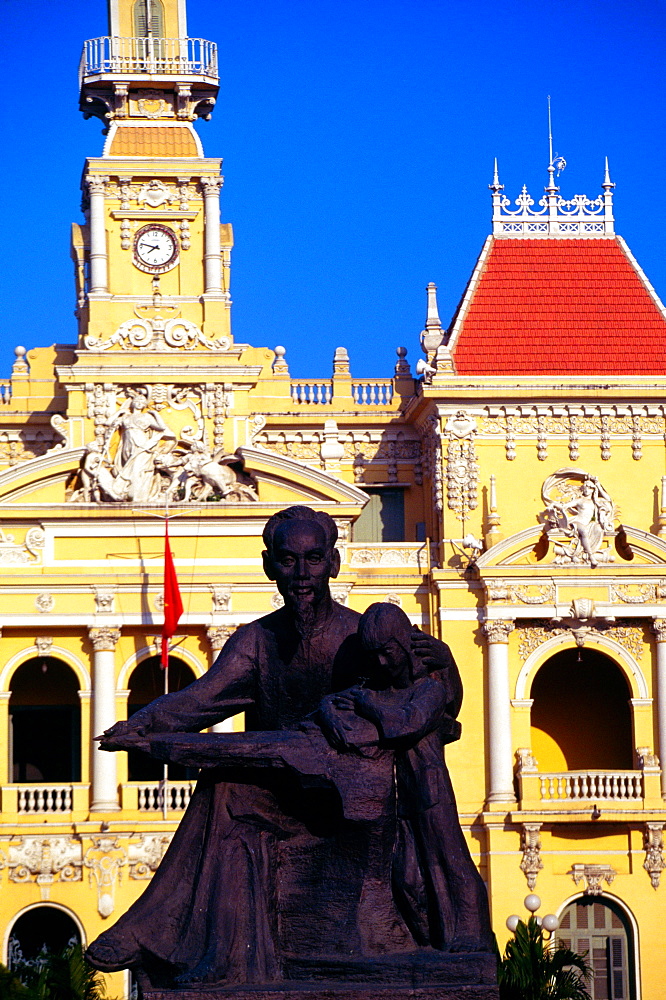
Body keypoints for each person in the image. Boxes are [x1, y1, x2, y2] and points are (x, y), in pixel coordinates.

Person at [87, 506, 453, 985]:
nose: (302, 574)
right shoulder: (255, 642)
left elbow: (430, 693)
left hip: (350, 803)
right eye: (288, 560)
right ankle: (214, 957)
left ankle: (148, 928)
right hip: (280, 794)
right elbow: (199, 701)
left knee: (228, 787)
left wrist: (445, 666)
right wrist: (141, 726)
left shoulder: (363, 635)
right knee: (225, 787)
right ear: (268, 566)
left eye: (314, 559)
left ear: (334, 564)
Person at [317, 602, 493, 954]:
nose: (382, 663)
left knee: (449, 862)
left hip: (430, 794)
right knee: (407, 878)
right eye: (374, 656)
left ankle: (470, 940)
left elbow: (404, 724)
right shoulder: (382, 693)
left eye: (387, 652)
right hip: (394, 800)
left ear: (403, 643)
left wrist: (367, 706)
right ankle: (430, 943)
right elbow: (333, 702)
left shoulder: (429, 689)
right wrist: (330, 713)